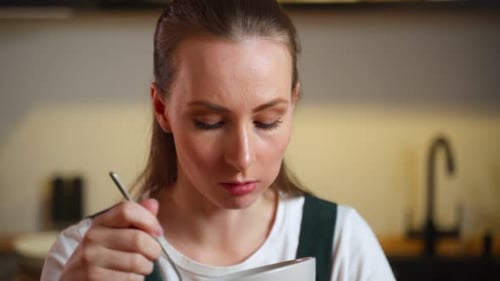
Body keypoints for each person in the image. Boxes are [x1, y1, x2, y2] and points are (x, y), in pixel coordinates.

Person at [41, 0, 395, 280]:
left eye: (268, 121)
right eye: (209, 122)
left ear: (294, 103)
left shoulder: (341, 242)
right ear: (162, 108)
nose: (241, 158)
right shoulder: (85, 257)